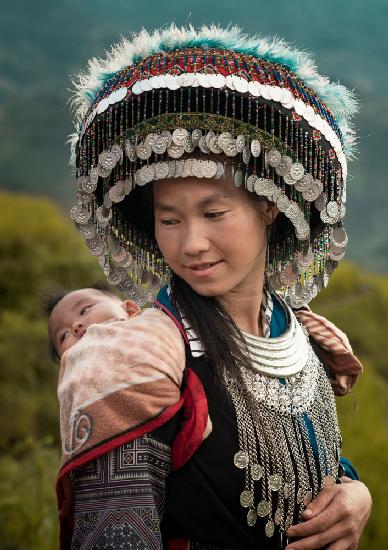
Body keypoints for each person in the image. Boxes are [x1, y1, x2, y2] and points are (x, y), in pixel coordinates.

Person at [60, 24, 372, 549]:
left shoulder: (298, 336)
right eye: (170, 219)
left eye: (214, 212)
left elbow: (301, 463)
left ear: (269, 206)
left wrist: (353, 492)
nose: (192, 244)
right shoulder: (137, 358)